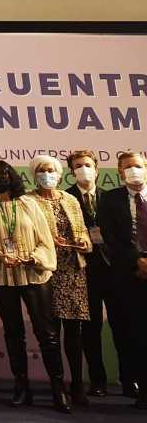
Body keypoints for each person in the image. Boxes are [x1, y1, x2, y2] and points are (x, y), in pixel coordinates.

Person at [0, 160, 68, 412]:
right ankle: (21, 387)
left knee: (46, 333)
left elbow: (45, 239)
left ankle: (58, 389)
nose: (0, 177)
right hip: (2, 278)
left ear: (12, 175)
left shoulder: (29, 203)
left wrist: (32, 258)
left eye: (4, 173)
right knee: (13, 333)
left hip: (34, 275)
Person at [29, 154, 92, 406]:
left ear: (59, 174)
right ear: (35, 175)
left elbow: (83, 233)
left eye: (51, 170)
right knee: (50, 332)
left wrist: (84, 243)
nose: (48, 175)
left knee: (74, 333)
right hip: (45, 271)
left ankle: (77, 384)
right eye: (42, 171)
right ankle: (58, 385)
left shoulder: (71, 199)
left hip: (73, 270)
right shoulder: (28, 201)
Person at [66, 149, 123, 399]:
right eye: (78, 166)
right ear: (71, 172)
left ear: (97, 169)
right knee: (89, 331)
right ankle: (97, 380)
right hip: (82, 272)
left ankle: (129, 379)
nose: (83, 169)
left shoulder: (110, 198)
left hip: (114, 272)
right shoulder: (66, 199)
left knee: (122, 327)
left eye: (87, 165)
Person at [97, 151, 147, 410]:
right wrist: (137, 261)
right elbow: (109, 237)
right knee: (136, 334)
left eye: (137, 166)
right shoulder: (111, 199)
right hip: (129, 276)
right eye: (127, 167)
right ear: (119, 172)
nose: (133, 171)